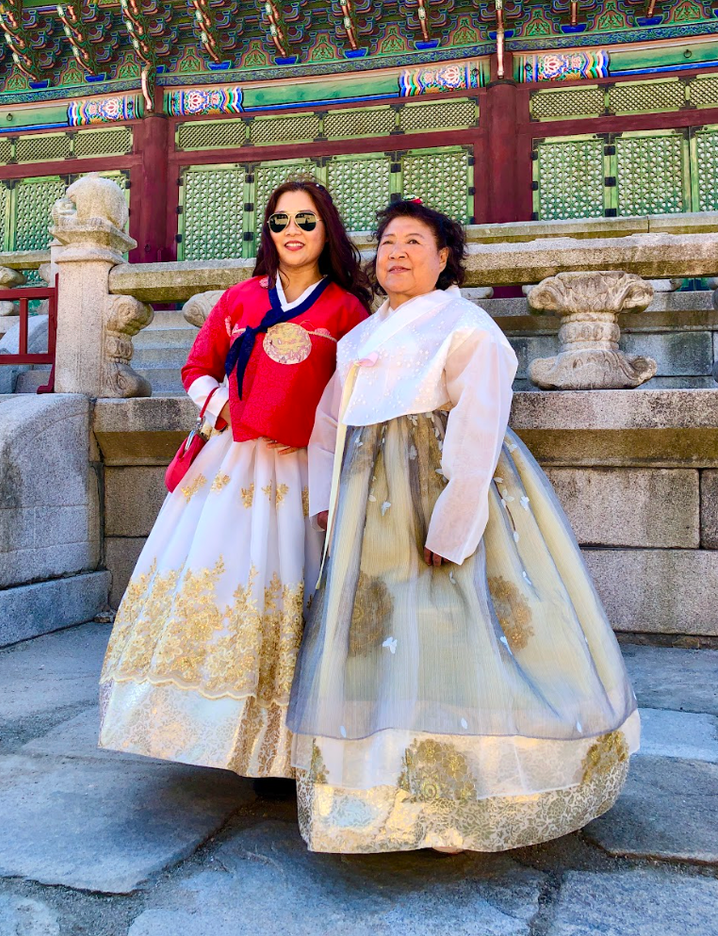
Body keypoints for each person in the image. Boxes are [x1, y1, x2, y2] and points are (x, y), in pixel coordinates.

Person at [288, 198, 639, 854]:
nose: (395, 253)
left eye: (414, 242)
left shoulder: (467, 325)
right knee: (379, 635)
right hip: (370, 510)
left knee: (453, 626)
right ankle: (382, 789)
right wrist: (325, 499)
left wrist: (453, 522)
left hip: (445, 494)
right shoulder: (362, 336)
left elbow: (479, 426)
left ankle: (466, 792)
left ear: (445, 257)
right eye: (387, 241)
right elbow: (331, 424)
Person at [99, 180, 370, 785]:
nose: (291, 233)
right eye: (278, 222)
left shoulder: (346, 310)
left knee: (292, 587)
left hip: (306, 471)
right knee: (223, 587)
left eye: (305, 220)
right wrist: (223, 409)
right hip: (232, 466)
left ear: (327, 230)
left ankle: (285, 746)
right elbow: (197, 367)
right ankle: (219, 732)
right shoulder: (241, 299)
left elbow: (356, 391)